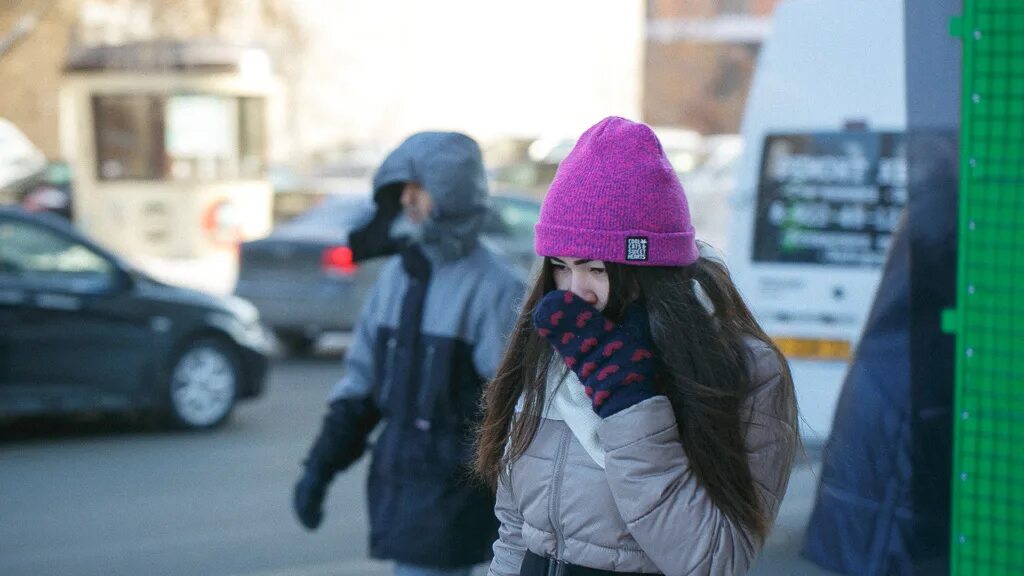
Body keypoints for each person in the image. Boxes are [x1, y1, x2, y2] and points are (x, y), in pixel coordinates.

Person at [474, 117, 799, 576]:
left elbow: (714, 561)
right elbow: (514, 529)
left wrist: (632, 405)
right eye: (561, 267)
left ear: (648, 269)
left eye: (597, 269)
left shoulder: (742, 370)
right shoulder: (552, 349)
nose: (576, 290)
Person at [293, 131, 526, 576]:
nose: (408, 200)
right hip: (403, 492)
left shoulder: (495, 287)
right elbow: (362, 388)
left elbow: (513, 413)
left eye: (421, 189)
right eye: (403, 188)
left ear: (453, 193)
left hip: (461, 504)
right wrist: (319, 469)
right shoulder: (397, 278)